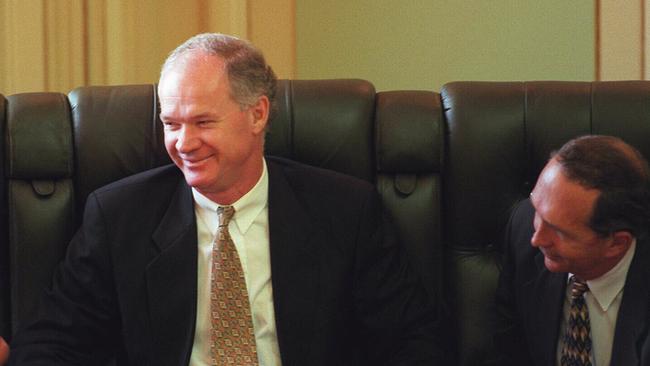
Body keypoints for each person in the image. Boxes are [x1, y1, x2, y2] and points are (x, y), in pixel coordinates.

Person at [6, 33, 442, 365]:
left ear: (257, 114)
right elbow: (54, 343)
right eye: (171, 123)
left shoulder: (345, 211)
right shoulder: (119, 216)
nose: (183, 142)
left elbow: (413, 344)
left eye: (202, 122)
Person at [493, 135, 650, 366]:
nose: (537, 239)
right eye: (538, 209)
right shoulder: (523, 228)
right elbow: (508, 349)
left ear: (617, 243)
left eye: (559, 231)